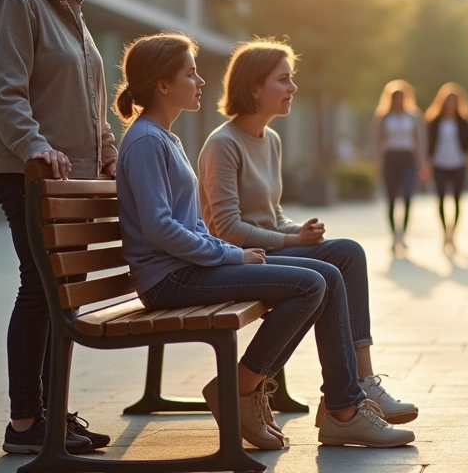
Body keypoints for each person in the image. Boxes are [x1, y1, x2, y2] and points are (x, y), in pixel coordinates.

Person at [116, 33, 415, 450]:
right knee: (313, 282)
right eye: (191, 73)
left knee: (326, 273)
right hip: (171, 280)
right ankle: (250, 391)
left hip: (186, 270)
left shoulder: (165, 138)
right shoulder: (149, 141)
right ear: (163, 85)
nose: (201, 80)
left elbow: (190, 225)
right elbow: (161, 229)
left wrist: (233, 253)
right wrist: (233, 254)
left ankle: (339, 405)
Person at [197, 40, 419, 426]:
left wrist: (298, 230)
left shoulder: (272, 140)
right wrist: (293, 240)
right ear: (254, 88)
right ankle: (345, 398)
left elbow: (271, 215)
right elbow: (226, 229)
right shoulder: (223, 144)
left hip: (270, 254)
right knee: (332, 270)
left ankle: (363, 381)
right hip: (240, 262)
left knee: (349, 251)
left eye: (292, 79)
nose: (292, 88)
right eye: (283, 80)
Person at [0, 0, 116, 455]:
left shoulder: (66, 4)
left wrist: (107, 144)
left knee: (63, 291)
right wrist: (34, 145)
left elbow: (88, 93)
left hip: (71, 172)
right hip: (25, 169)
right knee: (40, 286)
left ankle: (50, 412)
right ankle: (28, 424)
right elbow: (4, 92)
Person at [423, 82, 468, 256]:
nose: (451, 104)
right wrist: (426, 165)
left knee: (456, 200)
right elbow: (429, 146)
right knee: (440, 199)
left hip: (458, 163)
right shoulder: (434, 120)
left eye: (454, 101)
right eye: (449, 101)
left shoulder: (463, 122)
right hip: (439, 163)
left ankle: (452, 233)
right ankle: (444, 232)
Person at [372, 80, 426, 253]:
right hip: (391, 157)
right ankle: (394, 235)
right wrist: (378, 162)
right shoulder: (384, 117)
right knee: (391, 198)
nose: (399, 102)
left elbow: (418, 141)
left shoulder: (413, 116)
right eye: (396, 99)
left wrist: (421, 163)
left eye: (402, 98)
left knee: (408, 195)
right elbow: (378, 142)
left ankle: (403, 234)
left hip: (408, 157)